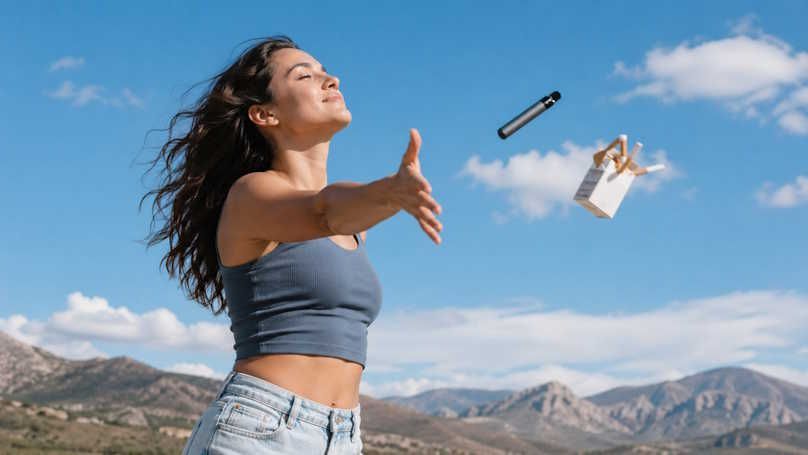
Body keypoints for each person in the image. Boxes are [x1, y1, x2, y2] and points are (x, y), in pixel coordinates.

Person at [139, 35, 443, 454]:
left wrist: (390, 195)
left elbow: (343, 206)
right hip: (261, 431)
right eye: (305, 75)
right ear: (265, 114)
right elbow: (321, 212)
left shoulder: (355, 223)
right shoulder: (251, 195)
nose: (331, 79)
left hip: (342, 437)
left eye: (325, 71)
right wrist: (392, 193)